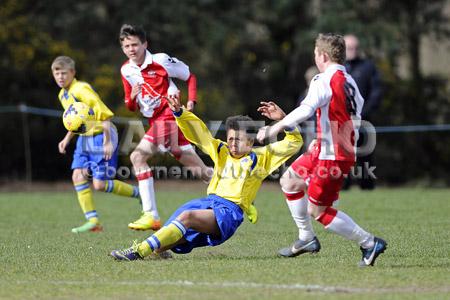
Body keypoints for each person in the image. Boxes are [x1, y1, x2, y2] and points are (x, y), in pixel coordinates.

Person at [109, 93, 303, 260]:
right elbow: (200, 134)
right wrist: (180, 113)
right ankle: (157, 251)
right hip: (208, 203)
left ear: (251, 141)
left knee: (187, 216)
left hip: (229, 212)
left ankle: (137, 252)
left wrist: (283, 119)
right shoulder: (222, 150)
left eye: (239, 140)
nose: (233, 144)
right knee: (164, 240)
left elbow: (294, 142)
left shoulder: (261, 158)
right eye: (230, 139)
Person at [257, 33, 386, 267]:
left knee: (319, 211)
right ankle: (306, 238)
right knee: (289, 181)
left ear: (323, 56)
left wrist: (273, 128)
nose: (315, 57)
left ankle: (369, 243)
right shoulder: (349, 80)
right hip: (332, 148)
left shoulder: (323, 79)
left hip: (332, 154)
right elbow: (354, 113)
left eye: (315, 53)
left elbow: (306, 109)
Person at [119, 24, 212, 232]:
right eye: (126, 46)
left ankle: (150, 214)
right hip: (155, 120)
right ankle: (238, 196)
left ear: (145, 44)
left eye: (135, 44)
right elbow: (130, 105)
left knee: (137, 157)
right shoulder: (126, 70)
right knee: (199, 170)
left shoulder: (160, 60)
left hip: (169, 115)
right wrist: (132, 98)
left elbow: (190, 76)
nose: (131, 49)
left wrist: (191, 102)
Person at [52, 56, 140, 233]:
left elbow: (105, 114)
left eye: (64, 73)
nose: (60, 77)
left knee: (100, 185)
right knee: (77, 176)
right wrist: (66, 139)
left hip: (101, 136)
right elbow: (77, 121)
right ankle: (93, 221)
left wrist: (107, 142)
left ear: (73, 73)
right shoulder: (63, 94)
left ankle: (140, 193)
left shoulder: (81, 89)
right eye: (56, 73)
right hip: (84, 138)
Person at [343, 34, 383, 190]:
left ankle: (367, 188)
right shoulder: (338, 68)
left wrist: (361, 115)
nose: (353, 51)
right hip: (341, 122)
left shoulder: (368, 67)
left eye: (355, 47)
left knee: (365, 157)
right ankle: (341, 188)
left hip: (364, 121)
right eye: (349, 48)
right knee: (341, 156)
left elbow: (376, 93)